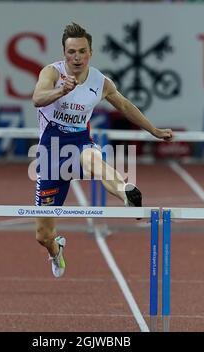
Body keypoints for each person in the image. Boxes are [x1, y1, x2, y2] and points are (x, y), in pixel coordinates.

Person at [32, 22, 173, 278]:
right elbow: (37, 99)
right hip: (50, 152)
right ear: (64, 53)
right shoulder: (52, 73)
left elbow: (126, 106)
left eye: (82, 51)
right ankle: (56, 250)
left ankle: (127, 195)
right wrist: (59, 91)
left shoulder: (100, 81)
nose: (77, 57)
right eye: (71, 52)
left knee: (95, 161)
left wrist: (154, 130)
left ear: (90, 52)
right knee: (43, 235)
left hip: (80, 143)